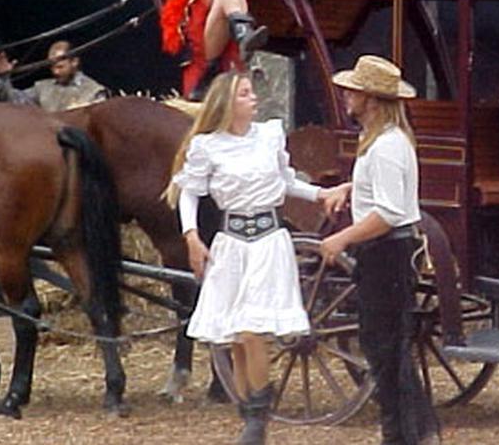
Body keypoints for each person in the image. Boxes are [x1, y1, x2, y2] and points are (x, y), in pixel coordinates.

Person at [166, 70, 343, 444]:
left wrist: (320, 194)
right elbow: (189, 193)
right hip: (231, 242)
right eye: (245, 93)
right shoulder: (207, 146)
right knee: (236, 337)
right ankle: (248, 412)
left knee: (253, 330)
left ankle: (257, 421)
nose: (254, 98)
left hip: (267, 241)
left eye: (251, 92)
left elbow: (286, 182)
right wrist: (192, 237)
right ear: (228, 104)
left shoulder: (269, 136)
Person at [319, 55, 440, 445]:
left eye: (352, 91)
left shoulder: (386, 147)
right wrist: (350, 189)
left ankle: (401, 435)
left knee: (386, 351)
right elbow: (385, 194)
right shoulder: (381, 141)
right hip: (387, 254)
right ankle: (417, 432)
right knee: (386, 347)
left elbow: (388, 213)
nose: (346, 96)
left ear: (370, 99)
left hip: (385, 253)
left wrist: (343, 237)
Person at [29, 40, 109, 112]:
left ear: (74, 62)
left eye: (60, 67)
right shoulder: (42, 88)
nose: (55, 72)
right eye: (52, 67)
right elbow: (19, 99)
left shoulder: (94, 92)